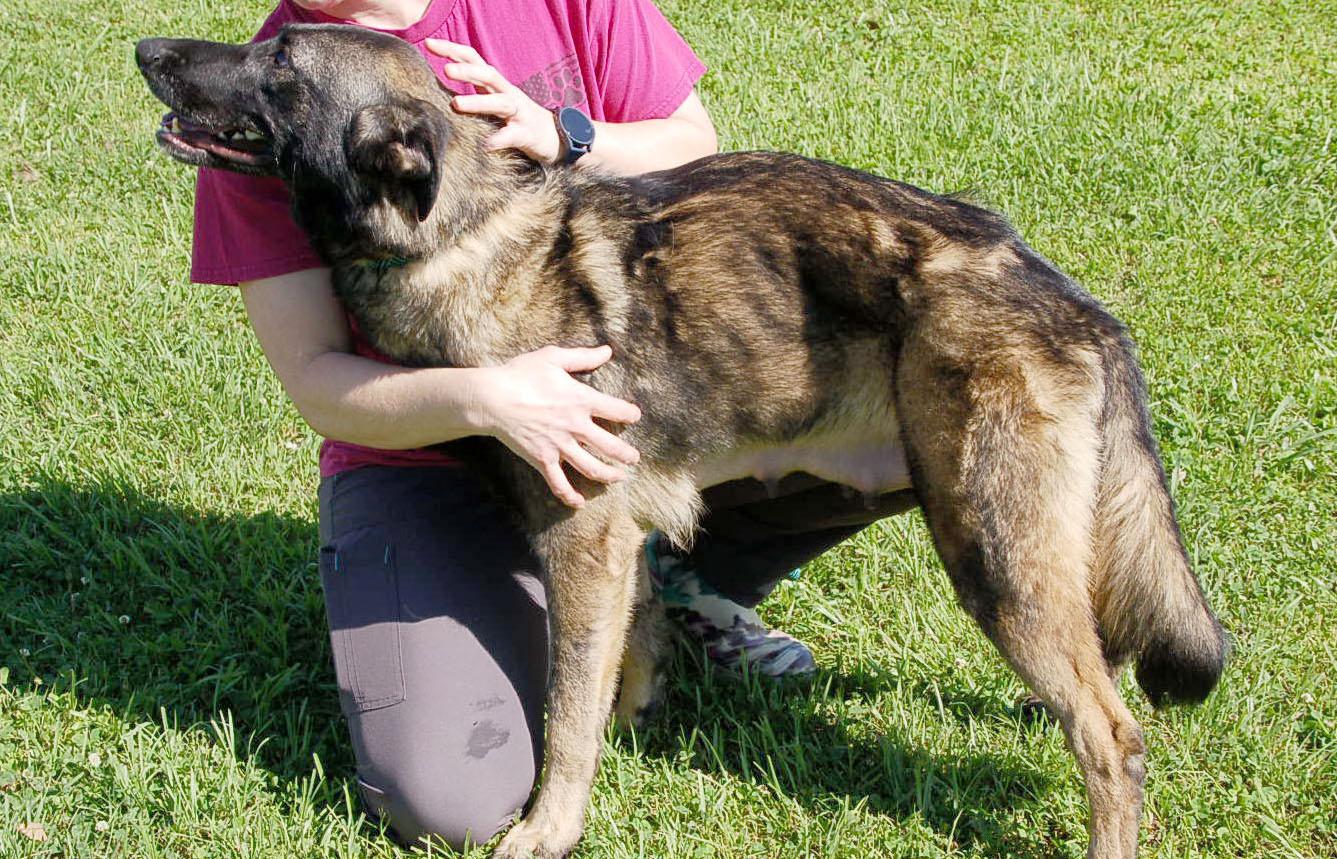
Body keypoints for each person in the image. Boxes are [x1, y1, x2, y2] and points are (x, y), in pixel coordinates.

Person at [193, 0, 914, 848]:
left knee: (920, 419)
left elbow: (695, 146)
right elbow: (317, 383)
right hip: (420, 455)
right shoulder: (286, 92)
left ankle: (688, 576)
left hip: (639, 405)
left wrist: (569, 136)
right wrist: (488, 399)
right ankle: (575, 591)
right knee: (446, 799)